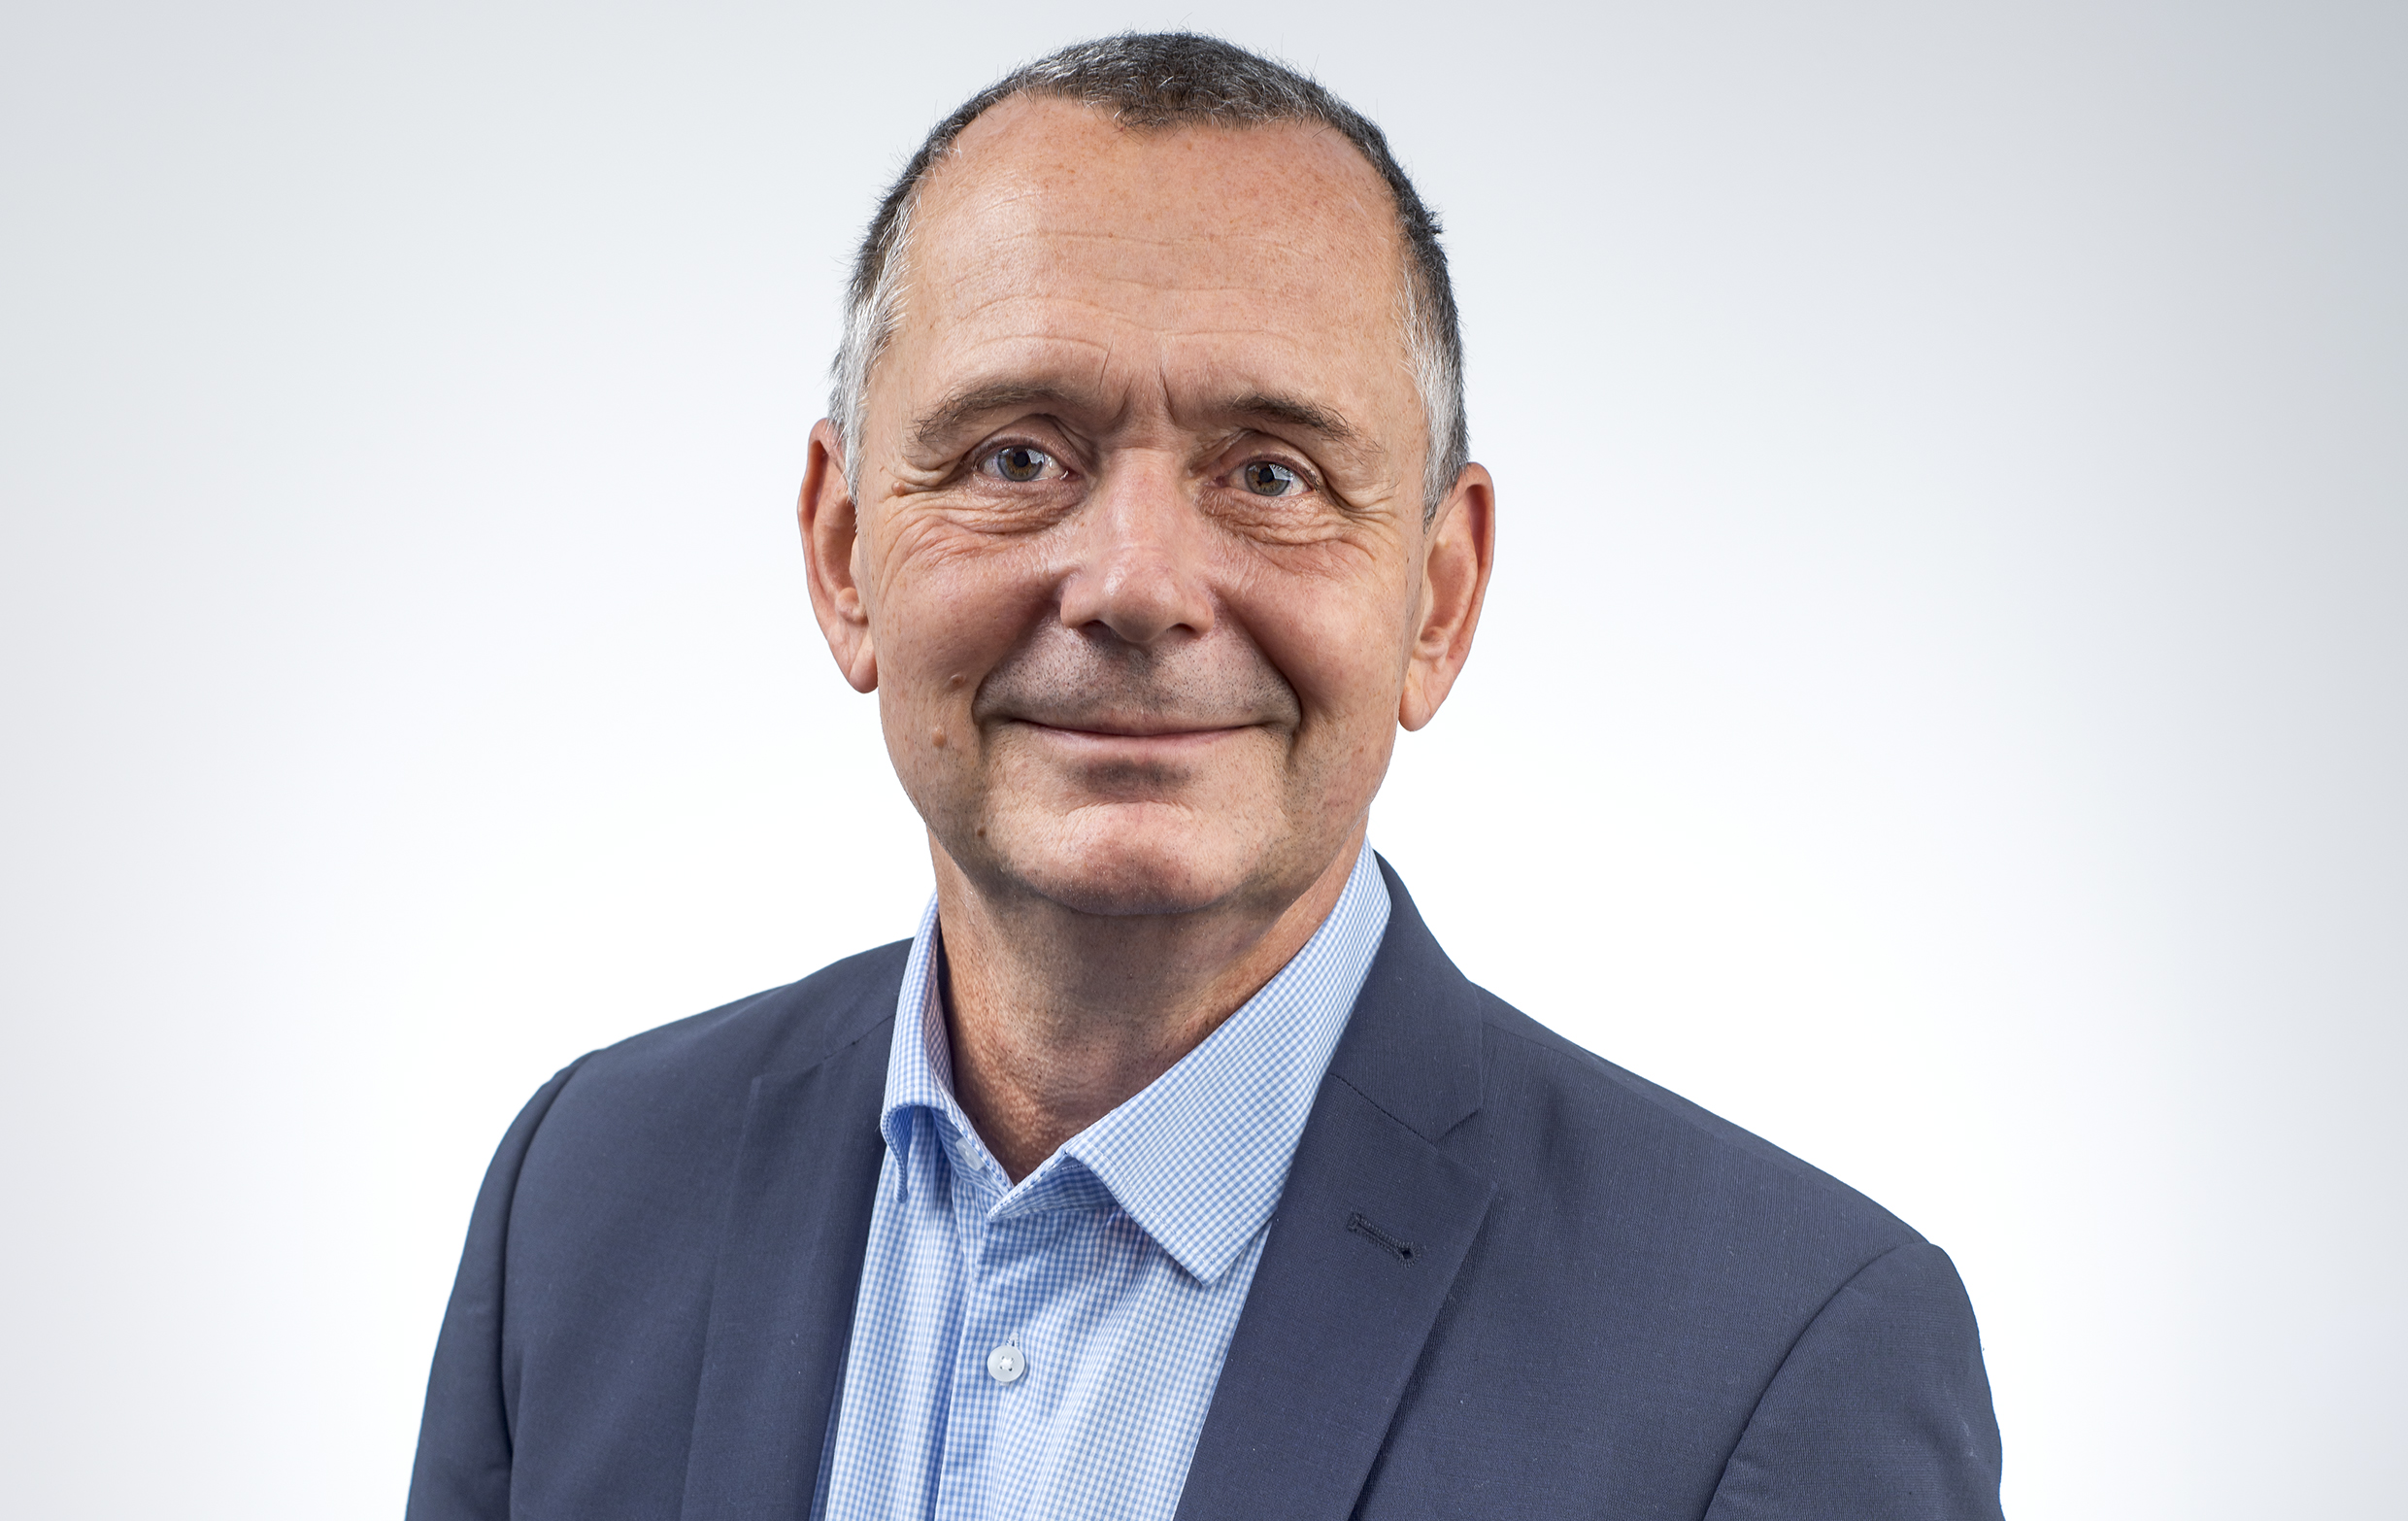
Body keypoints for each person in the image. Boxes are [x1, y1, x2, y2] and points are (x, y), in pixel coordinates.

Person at [407, 32, 2004, 1521]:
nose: (1138, 584)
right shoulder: (584, 1193)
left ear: (1438, 599)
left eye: (1272, 473)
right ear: (841, 554)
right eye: (1017, 455)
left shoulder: (1784, 1366)